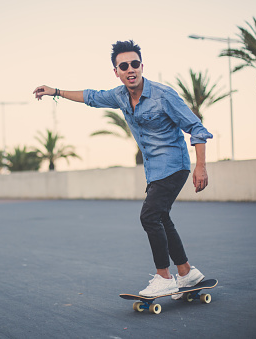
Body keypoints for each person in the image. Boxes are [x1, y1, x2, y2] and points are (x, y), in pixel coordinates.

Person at [32, 40, 213, 298]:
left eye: (135, 64)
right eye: (124, 65)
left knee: (149, 216)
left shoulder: (164, 95)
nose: (131, 69)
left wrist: (201, 167)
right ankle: (186, 273)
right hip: (154, 170)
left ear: (142, 66)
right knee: (161, 217)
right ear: (116, 71)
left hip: (174, 164)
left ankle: (164, 277)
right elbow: (90, 97)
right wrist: (56, 91)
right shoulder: (119, 95)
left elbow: (197, 128)